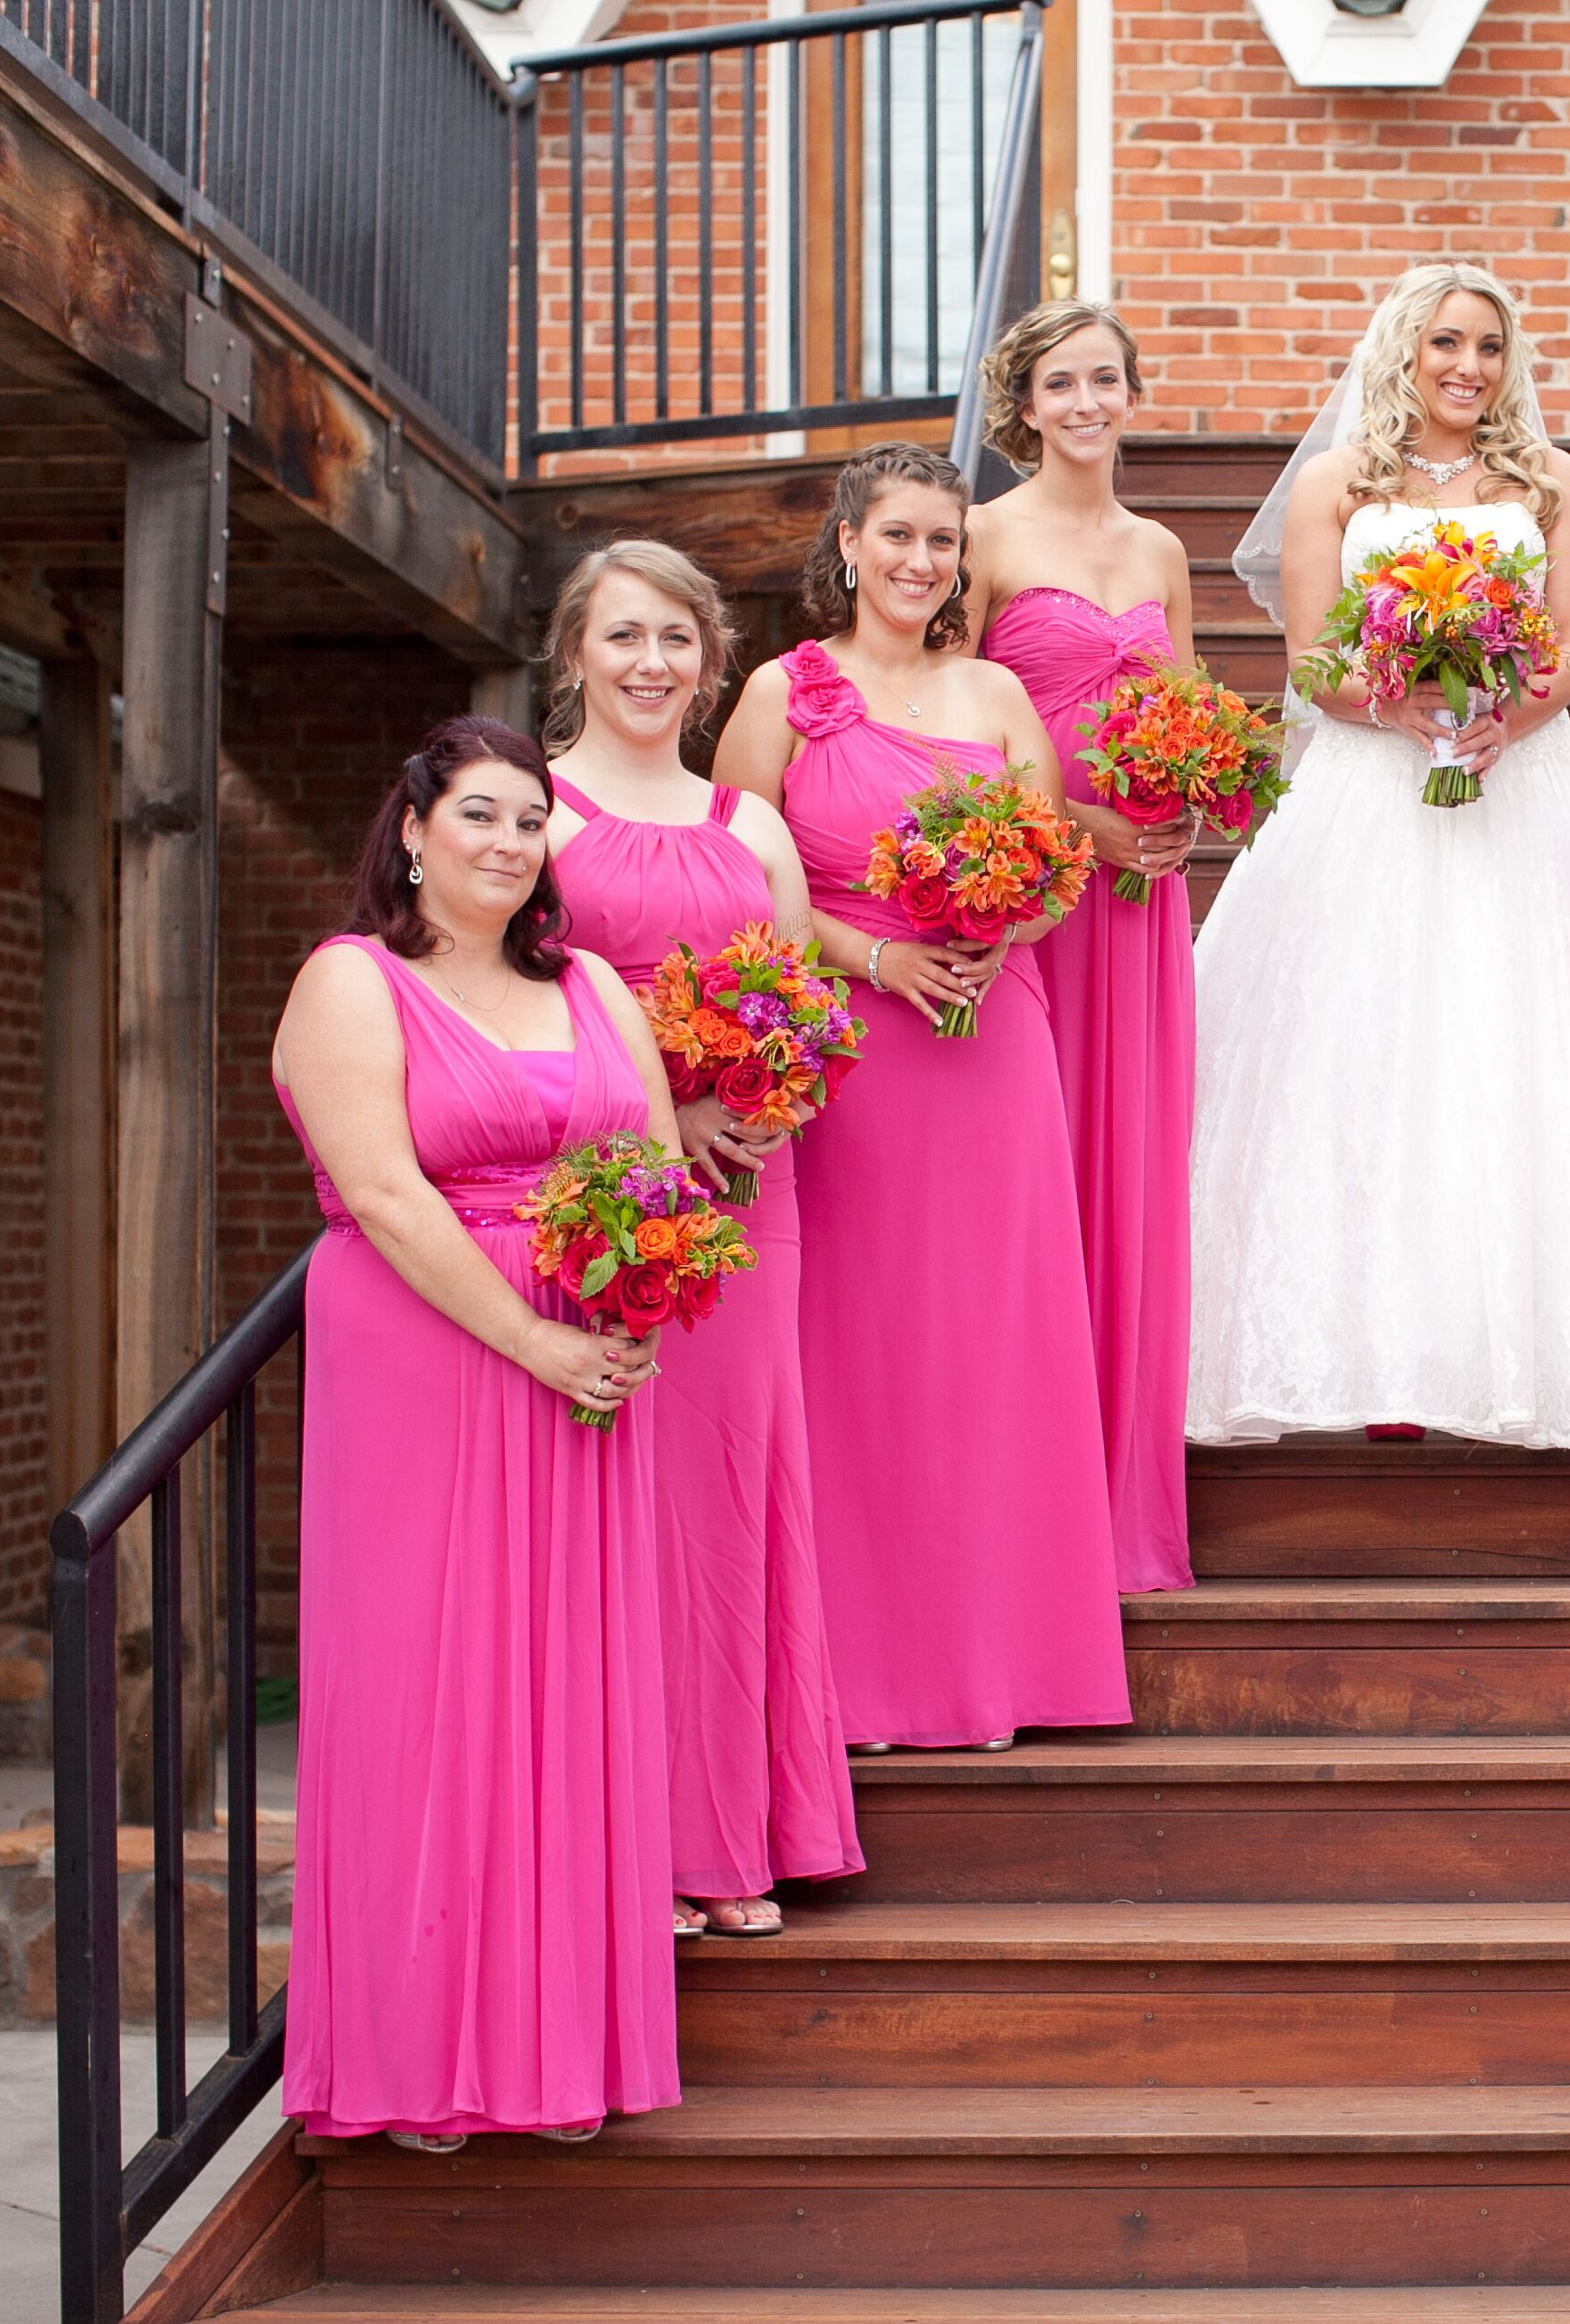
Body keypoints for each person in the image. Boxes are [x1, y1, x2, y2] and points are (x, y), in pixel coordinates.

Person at [269, 714, 681, 2147]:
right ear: (411, 830)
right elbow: (383, 1198)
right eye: (479, 817)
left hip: (590, 1370)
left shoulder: (592, 987)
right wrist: (542, 1342)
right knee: (429, 1691)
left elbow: (664, 1170)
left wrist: (633, 1305)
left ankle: (558, 2047)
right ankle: (418, 2052)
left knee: (570, 1694)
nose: (507, 844)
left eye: (528, 822)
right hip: (431, 1359)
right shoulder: (351, 982)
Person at [1187, 261, 1570, 1446]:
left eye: (1489, 347)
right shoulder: (1333, 484)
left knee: (1524, 1050)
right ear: (1400, 351)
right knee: (1356, 1048)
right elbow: (1308, 659)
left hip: (1522, 779)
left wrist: (1507, 706)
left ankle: (1540, 1349)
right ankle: (1353, 1348)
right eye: (1445, 342)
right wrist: (1400, 705)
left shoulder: (1550, 482)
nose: (1467, 366)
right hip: (1367, 782)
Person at [715, 441, 1129, 1752]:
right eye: (895, 535)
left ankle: (1002, 1659)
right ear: (846, 543)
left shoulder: (998, 690)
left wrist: (998, 925)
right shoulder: (783, 692)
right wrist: (875, 951)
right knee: (861, 1347)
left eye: (941, 541)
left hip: (990, 1038)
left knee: (987, 1342)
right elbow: (738, 881)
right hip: (852, 1051)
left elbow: (1057, 866)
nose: (918, 562)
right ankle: (859, 1670)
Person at [542, 539, 862, 1938]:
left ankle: (732, 1836)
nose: (650, 663)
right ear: (573, 655)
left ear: (709, 655)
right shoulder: (532, 817)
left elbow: (802, 1004)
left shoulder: (750, 825)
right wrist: (665, 1114)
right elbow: (512, 1012)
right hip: (603, 1202)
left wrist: (759, 1100)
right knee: (626, 1513)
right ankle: (633, 1843)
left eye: (674, 637)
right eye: (621, 637)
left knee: (735, 1504)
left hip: (749, 1198)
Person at [967, 302, 1203, 1593]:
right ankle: (1032, 1505)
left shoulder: (1160, 546)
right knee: (1040, 1175)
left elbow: (1189, 708)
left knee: (1135, 1172)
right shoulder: (986, 538)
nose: (1086, 402)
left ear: (1129, 395)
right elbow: (939, 730)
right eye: (1061, 382)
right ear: (1024, 402)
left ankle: (1121, 1508)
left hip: (1142, 903)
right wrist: (1081, 829)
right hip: (1042, 894)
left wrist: (1185, 803)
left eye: (1106, 379)